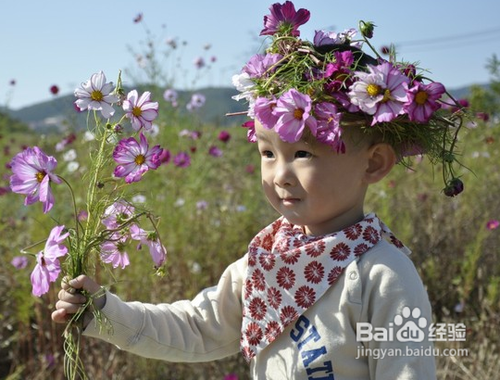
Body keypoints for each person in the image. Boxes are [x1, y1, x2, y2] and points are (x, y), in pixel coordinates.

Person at [53, 1, 466, 379]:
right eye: (268, 153)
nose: (279, 174)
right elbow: (197, 328)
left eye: (303, 152)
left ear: (373, 163)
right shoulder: (267, 258)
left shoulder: (383, 275)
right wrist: (104, 312)